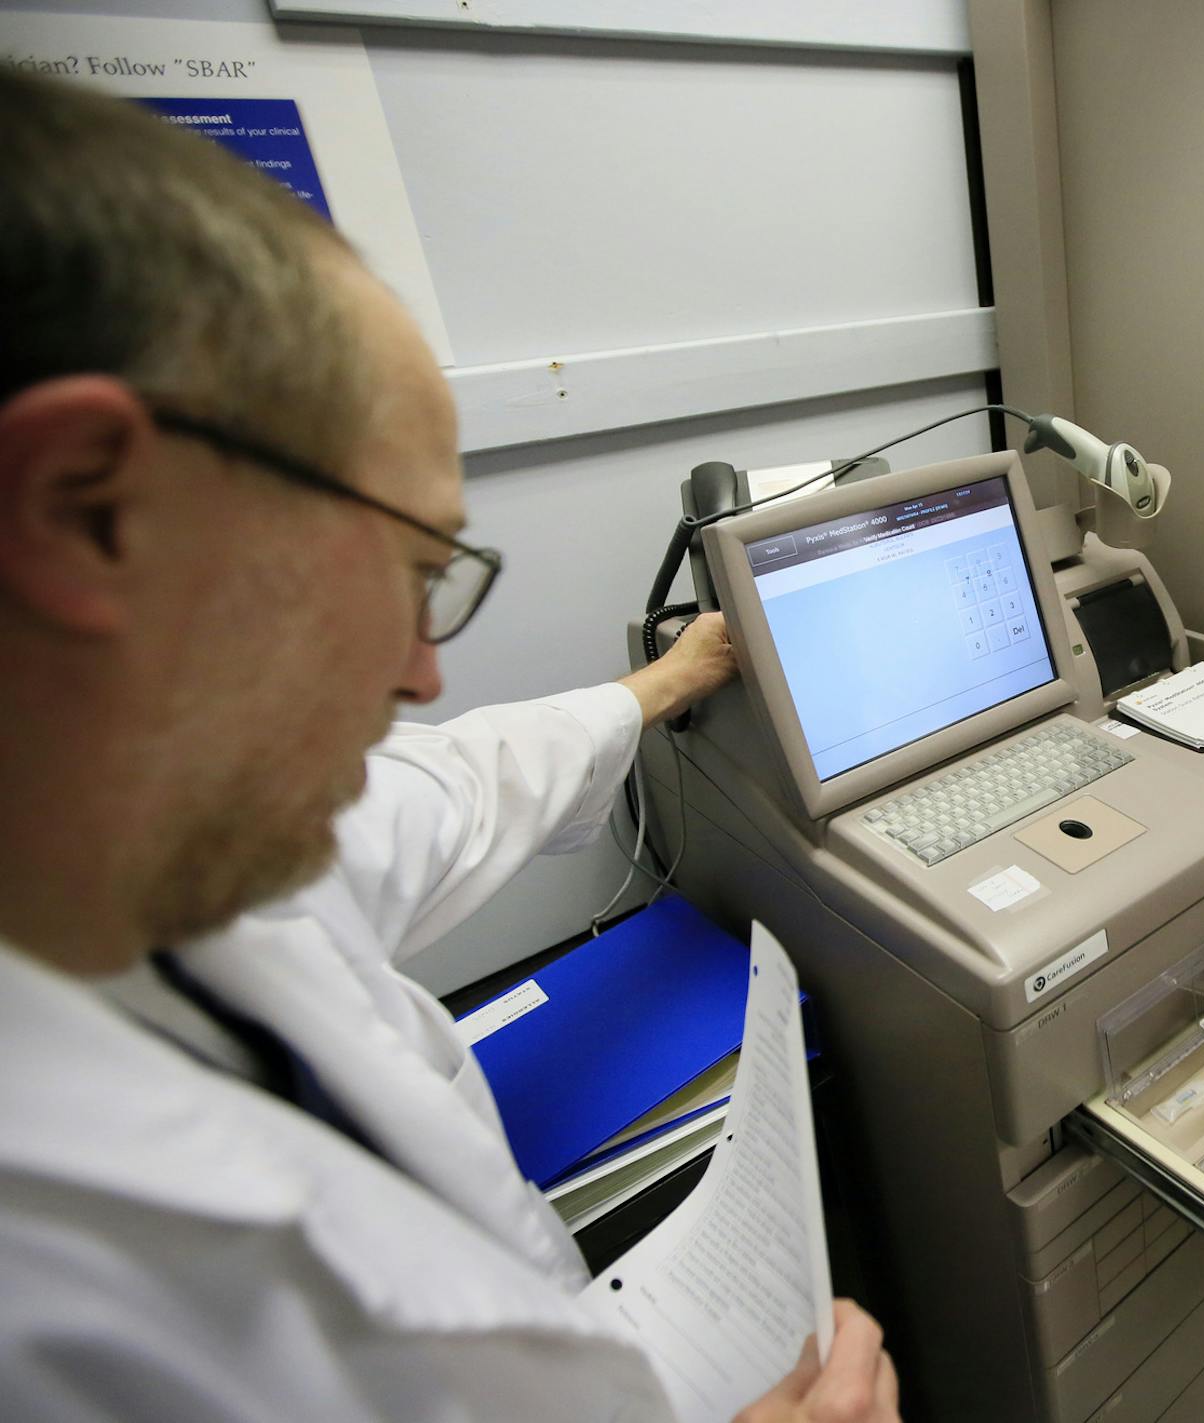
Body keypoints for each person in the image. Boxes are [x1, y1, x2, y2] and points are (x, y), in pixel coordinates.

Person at [0, 71, 898, 1422]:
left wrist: (666, 680)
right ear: (85, 513)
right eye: (412, 571)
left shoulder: (151, 851)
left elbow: (451, 787)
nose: (422, 674)